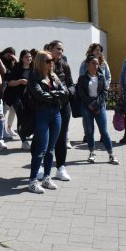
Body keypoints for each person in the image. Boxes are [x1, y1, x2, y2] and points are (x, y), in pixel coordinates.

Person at [27, 51, 65, 193]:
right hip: (41, 114)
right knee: (40, 149)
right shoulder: (33, 76)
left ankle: (47, 177)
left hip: (55, 114)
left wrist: (53, 95)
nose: (51, 63)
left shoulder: (54, 76)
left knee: (51, 149)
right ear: (41, 61)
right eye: (48, 60)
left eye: (52, 61)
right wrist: (56, 96)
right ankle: (32, 181)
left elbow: (65, 91)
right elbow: (39, 95)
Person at [78, 55, 120, 165]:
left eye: (97, 64)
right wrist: (90, 104)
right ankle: (92, 153)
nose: (96, 66)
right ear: (87, 65)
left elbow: (104, 93)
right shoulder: (82, 78)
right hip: (87, 106)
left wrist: (96, 105)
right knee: (89, 131)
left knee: (104, 131)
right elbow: (81, 93)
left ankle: (111, 154)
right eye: (93, 63)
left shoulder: (101, 77)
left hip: (99, 105)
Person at [47, 40, 73, 178]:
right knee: (45, 137)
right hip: (47, 106)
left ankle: (61, 167)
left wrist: (68, 92)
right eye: (58, 49)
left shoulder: (65, 65)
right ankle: (40, 167)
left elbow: (71, 84)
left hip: (64, 106)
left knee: (62, 137)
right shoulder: (42, 64)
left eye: (62, 50)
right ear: (50, 48)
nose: (60, 52)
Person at [78, 43, 112, 143]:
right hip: (88, 96)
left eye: (100, 50)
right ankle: (87, 134)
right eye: (96, 50)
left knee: (102, 115)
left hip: (100, 95)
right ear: (91, 51)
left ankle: (103, 134)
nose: (99, 52)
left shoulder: (103, 63)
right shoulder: (85, 63)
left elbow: (108, 77)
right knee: (87, 117)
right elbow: (81, 77)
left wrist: (106, 87)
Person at [5, 50, 33, 150]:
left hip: (29, 98)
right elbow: (9, 83)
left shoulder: (33, 69)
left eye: (30, 57)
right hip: (17, 97)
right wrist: (19, 81)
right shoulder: (17, 69)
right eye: (26, 57)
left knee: (29, 117)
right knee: (21, 117)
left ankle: (28, 135)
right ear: (22, 58)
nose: (29, 58)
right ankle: (24, 141)